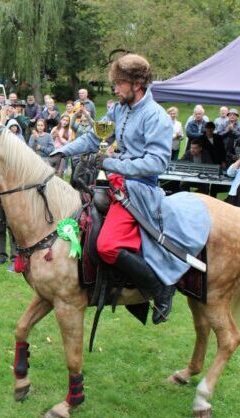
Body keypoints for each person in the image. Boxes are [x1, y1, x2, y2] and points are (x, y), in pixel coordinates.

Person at [52, 54, 179, 324]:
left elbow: (157, 163)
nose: (115, 89)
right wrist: (61, 151)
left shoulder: (156, 117)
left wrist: (112, 162)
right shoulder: (119, 109)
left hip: (140, 191)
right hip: (113, 184)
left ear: (137, 83)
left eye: (120, 83)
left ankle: (160, 288)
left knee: (107, 245)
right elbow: (93, 137)